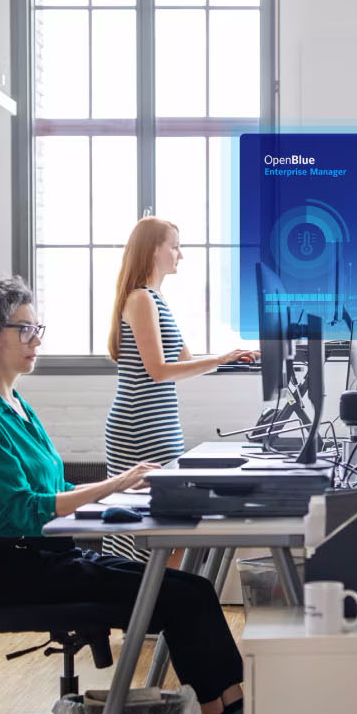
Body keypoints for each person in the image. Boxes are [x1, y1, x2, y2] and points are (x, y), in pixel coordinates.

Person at [0, 277, 245, 714]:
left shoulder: (14, 404)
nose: (36, 339)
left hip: (55, 558)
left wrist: (128, 492)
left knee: (194, 588)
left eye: (36, 327)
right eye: (25, 329)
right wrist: (115, 485)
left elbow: (57, 484)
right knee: (185, 598)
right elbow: (25, 510)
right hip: (27, 571)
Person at [104, 216, 253, 560]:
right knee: (148, 524)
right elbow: (158, 372)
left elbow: (184, 363)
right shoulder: (141, 299)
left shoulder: (157, 300)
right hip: (140, 425)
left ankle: (157, 605)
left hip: (160, 423)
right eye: (174, 246)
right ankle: (139, 605)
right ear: (154, 250)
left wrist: (233, 358)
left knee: (165, 522)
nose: (180, 255)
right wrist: (221, 358)